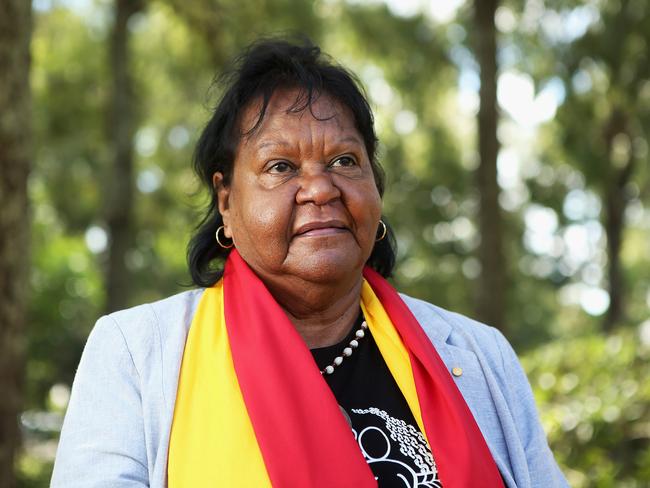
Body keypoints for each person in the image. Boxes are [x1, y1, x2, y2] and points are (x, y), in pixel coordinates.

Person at [51, 38, 568, 488]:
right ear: (226, 203)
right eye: (281, 166)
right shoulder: (136, 355)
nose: (321, 189)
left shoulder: (481, 356)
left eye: (345, 161)